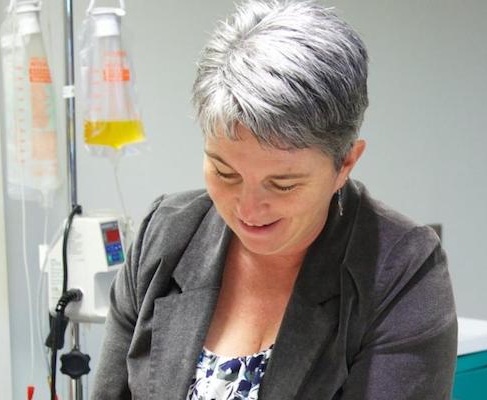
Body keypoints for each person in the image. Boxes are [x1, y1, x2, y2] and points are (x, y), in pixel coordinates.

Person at [92, 2, 457, 399]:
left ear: (345, 164)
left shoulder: (399, 269)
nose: (247, 209)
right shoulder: (164, 236)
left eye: (283, 185)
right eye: (225, 173)